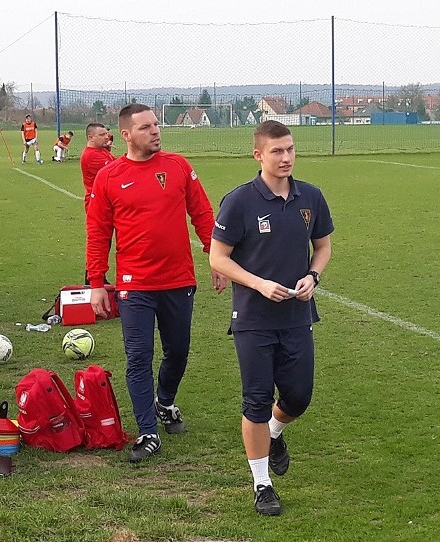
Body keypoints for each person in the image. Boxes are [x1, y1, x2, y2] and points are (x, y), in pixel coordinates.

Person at [86, 103, 229, 463]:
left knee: (178, 350)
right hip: (134, 285)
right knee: (138, 358)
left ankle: (165, 402)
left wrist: (216, 257)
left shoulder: (177, 166)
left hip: (178, 279)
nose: (155, 131)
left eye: (156, 125)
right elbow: (98, 232)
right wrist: (96, 282)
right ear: (126, 135)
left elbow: (202, 213)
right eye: (146, 127)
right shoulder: (109, 176)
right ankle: (147, 432)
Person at [209, 120, 334, 516]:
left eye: (290, 150)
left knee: (299, 397)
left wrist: (313, 275)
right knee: (256, 402)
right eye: (277, 151)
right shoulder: (239, 201)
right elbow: (218, 258)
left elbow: (324, 246)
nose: (286, 158)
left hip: (298, 316)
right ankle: (262, 484)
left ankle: (275, 434)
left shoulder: (310, 197)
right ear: (258, 155)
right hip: (253, 319)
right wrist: (259, 284)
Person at [80, 122, 116, 285]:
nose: (106, 137)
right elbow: (116, 170)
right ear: (90, 137)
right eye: (102, 135)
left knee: (105, 242)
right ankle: (92, 277)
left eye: (106, 134)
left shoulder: (101, 152)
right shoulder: (92, 155)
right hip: (97, 204)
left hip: (106, 202)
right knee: (100, 241)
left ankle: (96, 276)